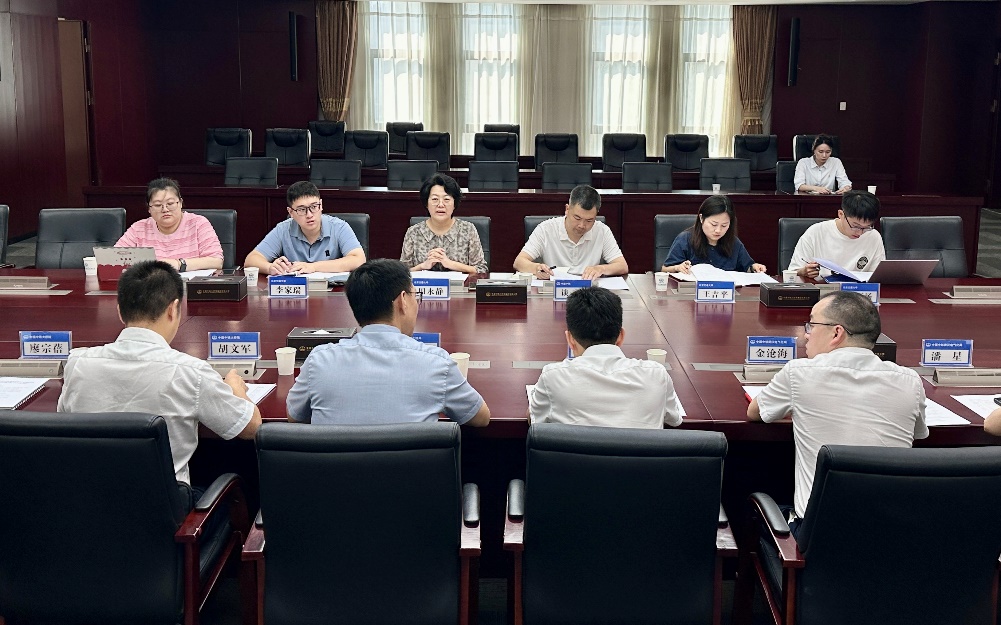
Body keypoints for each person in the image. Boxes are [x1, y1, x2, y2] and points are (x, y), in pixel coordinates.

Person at [57, 260, 262, 487]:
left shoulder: (77, 363)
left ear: (120, 311)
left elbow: (64, 425)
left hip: (87, 501)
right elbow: (252, 427)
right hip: (166, 507)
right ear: (173, 309)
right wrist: (235, 388)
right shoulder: (191, 373)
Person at [747, 291, 928, 530]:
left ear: (836, 333)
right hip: (891, 534)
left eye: (811, 325)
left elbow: (755, 412)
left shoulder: (799, 373)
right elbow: (919, 434)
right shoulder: (911, 381)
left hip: (818, 536)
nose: (806, 334)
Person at [286, 258, 491, 426]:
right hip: (412, 467)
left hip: (337, 467)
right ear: (402, 301)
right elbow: (480, 418)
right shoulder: (437, 363)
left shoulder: (319, 361)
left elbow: (294, 415)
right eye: (414, 295)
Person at [529, 286, 683, 428]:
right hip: (640, 451)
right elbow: (674, 419)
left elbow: (535, 420)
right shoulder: (656, 375)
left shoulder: (553, 377)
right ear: (621, 336)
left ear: (570, 340)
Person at [244, 181, 366, 275]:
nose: (309, 215)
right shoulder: (283, 229)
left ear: (321, 205)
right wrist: (270, 267)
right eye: (302, 209)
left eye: (314, 207)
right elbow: (251, 260)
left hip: (332, 292)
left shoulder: (339, 227)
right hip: (295, 295)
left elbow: (358, 259)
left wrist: (313, 267)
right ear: (291, 212)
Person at [513, 184, 628, 281]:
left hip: (588, 293)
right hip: (553, 291)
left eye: (589, 220)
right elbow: (519, 262)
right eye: (577, 218)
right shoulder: (545, 229)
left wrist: (601, 269)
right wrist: (536, 268)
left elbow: (622, 266)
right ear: (567, 209)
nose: (582, 225)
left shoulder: (602, 231)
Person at [115, 177, 223, 272]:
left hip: (189, 286)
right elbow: (114, 258)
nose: (165, 209)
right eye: (158, 205)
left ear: (180, 203)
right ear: (149, 209)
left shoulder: (198, 223)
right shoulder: (138, 228)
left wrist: (178, 264)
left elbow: (216, 261)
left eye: (170, 203)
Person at [787, 190, 885, 279]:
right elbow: (792, 273)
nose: (860, 232)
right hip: (821, 290)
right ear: (841, 214)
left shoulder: (873, 236)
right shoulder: (816, 232)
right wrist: (804, 272)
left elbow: (878, 276)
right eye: (855, 226)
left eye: (867, 227)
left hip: (858, 292)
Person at [401, 174, 487, 274]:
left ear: (454, 203)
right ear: (426, 203)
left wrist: (450, 264)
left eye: (446, 199)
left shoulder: (468, 230)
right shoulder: (413, 232)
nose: (440, 205)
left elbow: (482, 270)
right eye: (435, 199)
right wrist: (422, 266)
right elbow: (402, 273)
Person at [661, 195, 766, 274]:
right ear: (701, 218)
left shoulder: (734, 242)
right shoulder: (685, 239)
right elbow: (664, 269)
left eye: (724, 225)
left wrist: (754, 267)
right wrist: (678, 267)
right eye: (714, 224)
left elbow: (747, 267)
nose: (718, 230)